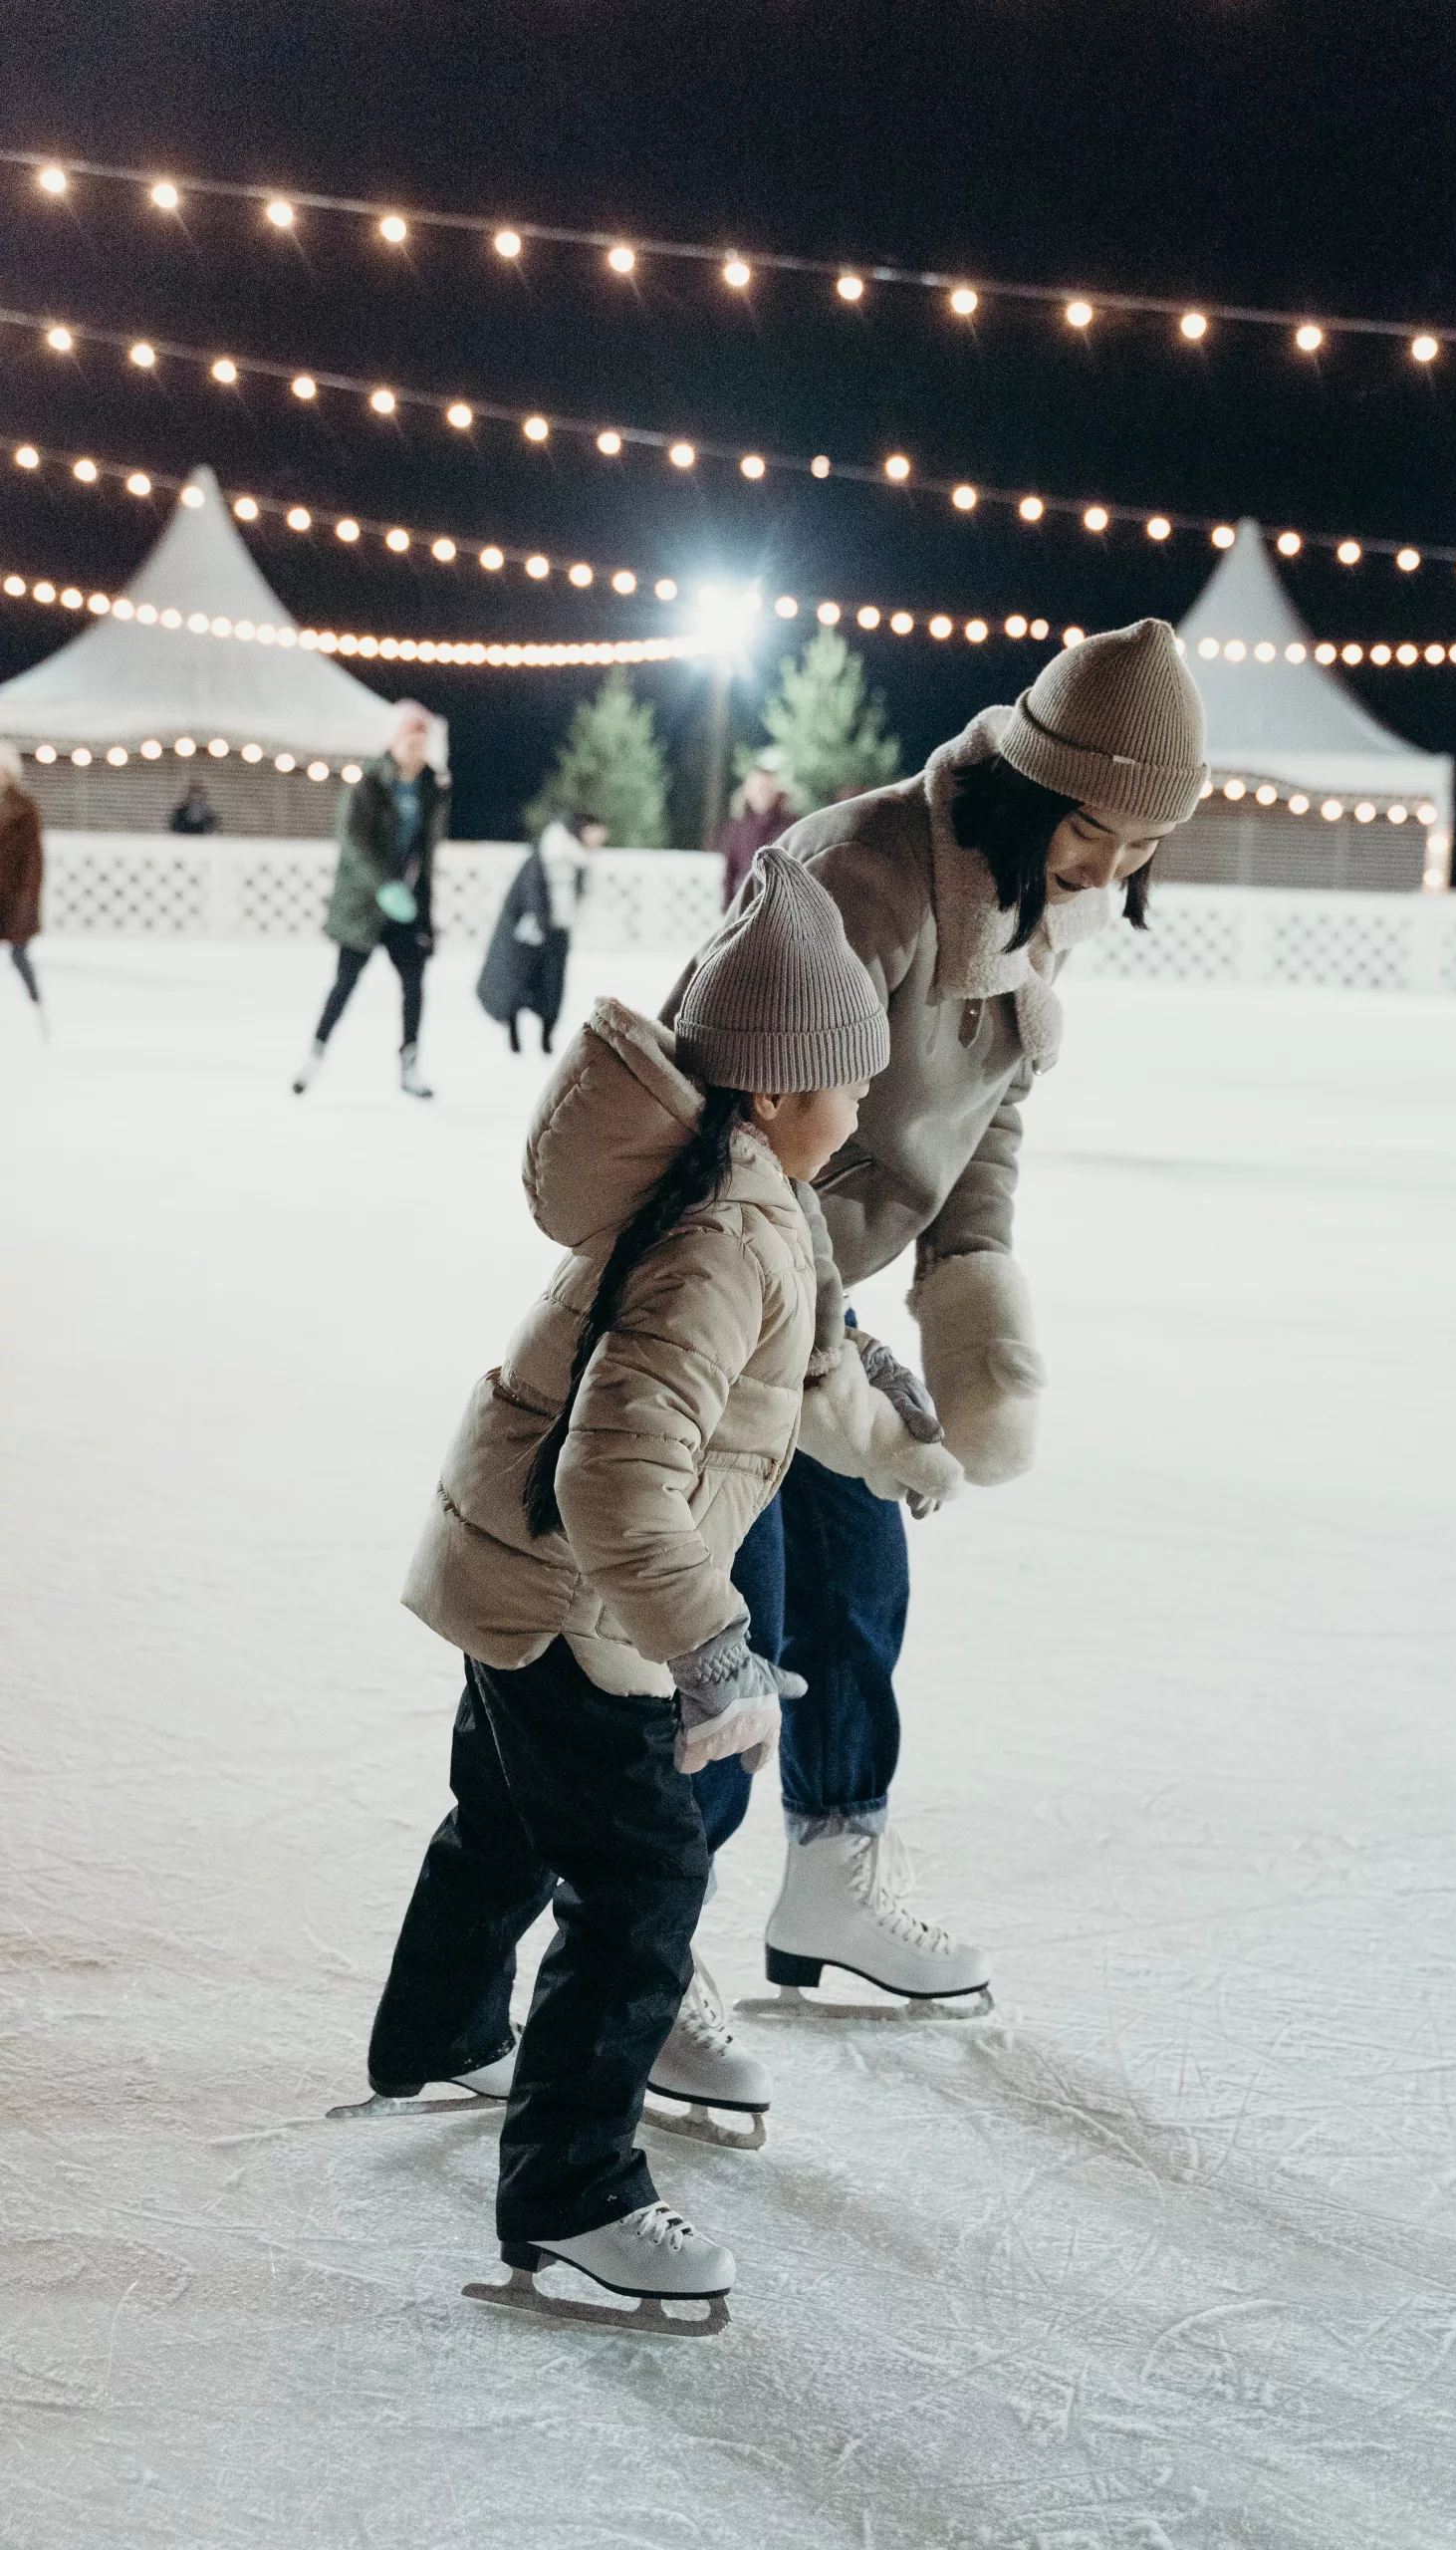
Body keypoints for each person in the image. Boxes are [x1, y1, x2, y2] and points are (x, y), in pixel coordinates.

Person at [359, 850, 890, 2331]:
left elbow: (771, 1381)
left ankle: (441, 2032)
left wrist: (890, 1429)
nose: (865, 1103)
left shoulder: (732, 1195)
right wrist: (713, 1647)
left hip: (509, 1561)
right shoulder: (726, 1235)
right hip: (565, 1595)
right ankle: (573, 2194)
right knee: (644, 1873)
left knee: (507, 1819)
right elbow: (613, 1480)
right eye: (850, 1076)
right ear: (775, 1091)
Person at [661, 621, 1209, 2041]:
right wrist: (809, 1353)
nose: (1114, 869)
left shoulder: (1030, 905)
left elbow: (988, 1115)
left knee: (856, 1596)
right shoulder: (863, 879)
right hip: (714, 1299)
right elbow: (728, 1112)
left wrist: (971, 1287)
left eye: (1145, 846)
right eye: (1096, 832)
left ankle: (829, 1878)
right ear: (1034, 785)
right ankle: (639, 1948)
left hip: (818, 1306)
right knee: (723, 1634)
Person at [292, 701, 446, 1098]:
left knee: (414, 983)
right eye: (410, 742)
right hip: (364, 903)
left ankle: (410, 1065)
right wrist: (382, 886)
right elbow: (353, 842)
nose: (417, 751)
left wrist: (422, 908)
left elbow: (425, 851)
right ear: (394, 742)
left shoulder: (432, 787)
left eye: (422, 743)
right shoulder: (368, 784)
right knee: (345, 982)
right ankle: (315, 1055)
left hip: (406, 906)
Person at [474, 818, 592, 1055]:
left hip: (557, 931)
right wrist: (539, 919)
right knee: (517, 985)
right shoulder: (546, 855)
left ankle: (545, 1039)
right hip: (528, 934)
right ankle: (514, 1037)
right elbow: (531, 891)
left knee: (551, 988)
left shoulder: (580, 861)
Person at [0, 743, 46, 1030]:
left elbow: (33, 857)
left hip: (14, 895)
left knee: (19, 953)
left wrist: (27, 897)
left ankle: (35, 1003)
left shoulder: (23, 808)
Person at [715, 757, 791, 907]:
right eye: (759, 788)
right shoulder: (736, 828)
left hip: (779, 901)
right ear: (747, 790)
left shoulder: (788, 825)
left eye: (768, 788)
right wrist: (728, 908)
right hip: (745, 901)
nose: (764, 793)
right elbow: (729, 871)